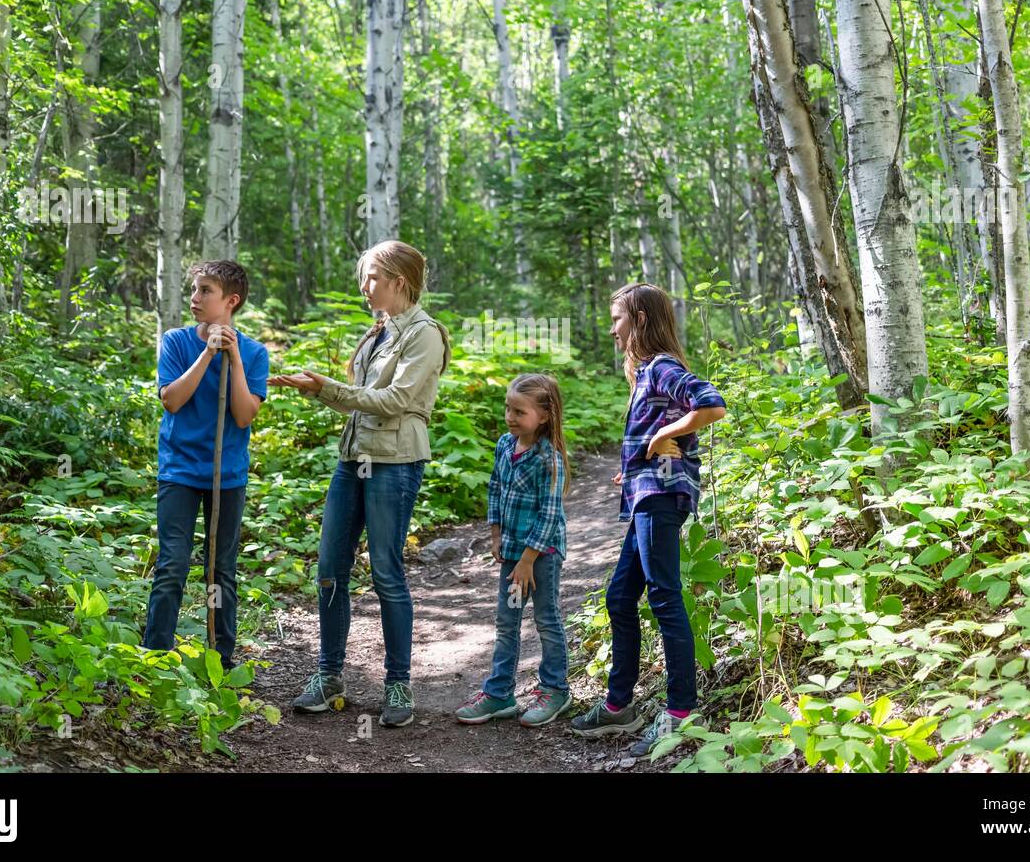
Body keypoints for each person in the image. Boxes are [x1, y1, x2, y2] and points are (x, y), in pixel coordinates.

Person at [270, 240, 450, 728]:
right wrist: (318, 389)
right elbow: (361, 402)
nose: (364, 286)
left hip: (394, 462)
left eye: (372, 277)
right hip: (353, 460)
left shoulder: (424, 334)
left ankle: (398, 682)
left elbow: (393, 400)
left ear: (399, 280)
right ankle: (329, 677)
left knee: (386, 570)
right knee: (330, 567)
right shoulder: (379, 332)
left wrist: (326, 387)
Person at [570, 282, 727, 756]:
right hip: (646, 492)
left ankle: (681, 712)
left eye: (617, 319)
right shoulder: (643, 376)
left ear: (639, 319)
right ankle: (620, 704)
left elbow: (712, 405)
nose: (613, 330)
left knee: (663, 595)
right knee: (620, 596)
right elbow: (655, 437)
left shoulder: (662, 367)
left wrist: (662, 435)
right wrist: (635, 462)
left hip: (662, 496)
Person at [144, 260, 269, 670]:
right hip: (179, 471)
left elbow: (243, 414)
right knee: (173, 562)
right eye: (194, 290)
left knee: (220, 568)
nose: (194, 299)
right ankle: (156, 654)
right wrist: (206, 354)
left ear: (231, 301)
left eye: (205, 291)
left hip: (226, 476)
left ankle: (221, 658)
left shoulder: (254, 353)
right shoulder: (177, 341)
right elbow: (172, 400)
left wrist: (232, 357)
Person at [455, 374, 572, 728]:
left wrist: (527, 561)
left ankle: (555, 689)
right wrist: (495, 535)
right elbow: (495, 489)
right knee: (507, 623)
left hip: (541, 556)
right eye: (508, 408)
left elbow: (551, 514)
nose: (510, 416)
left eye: (519, 411)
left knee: (545, 620)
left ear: (544, 416)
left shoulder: (548, 458)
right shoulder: (505, 446)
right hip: (512, 555)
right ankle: (500, 693)